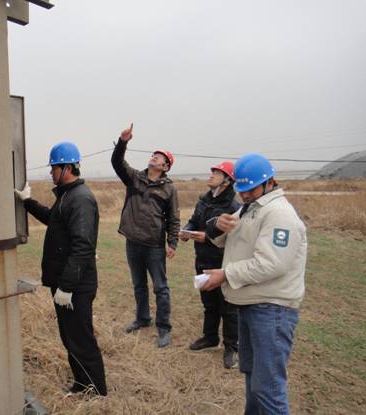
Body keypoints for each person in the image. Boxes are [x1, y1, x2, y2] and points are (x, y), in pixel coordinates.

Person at [202, 153, 307, 414]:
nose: (245, 194)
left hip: (272, 309)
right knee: (253, 377)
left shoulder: (279, 214)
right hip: (251, 304)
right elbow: (227, 240)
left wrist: (226, 275)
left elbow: (272, 263)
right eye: (242, 189)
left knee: (268, 388)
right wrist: (218, 225)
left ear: (270, 182)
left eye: (251, 189)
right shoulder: (250, 208)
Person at [14, 141, 107, 396]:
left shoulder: (81, 199)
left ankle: (96, 391)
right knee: (70, 338)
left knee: (81, 339)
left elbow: (83, 246)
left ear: (67, 168)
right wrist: (27, 202)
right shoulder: (67, 196)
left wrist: (66, 286)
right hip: (66, 282)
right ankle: (81, 384)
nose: (51, 173)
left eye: (54, 168)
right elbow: (52, 219)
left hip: (75, 285)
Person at [111, 123, 180, 348]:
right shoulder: (134, 178)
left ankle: (164, 327)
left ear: (165, 166)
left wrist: (172, 243)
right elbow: (117, 162)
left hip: (154, 246)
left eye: (159, 157)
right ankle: (142, 319)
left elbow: (174, 218)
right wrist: (123, 142)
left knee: (160, 287)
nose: (154, 156)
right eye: (153, 154)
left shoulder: (169, 189)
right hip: (133, 242)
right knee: (138, 285)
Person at [180, 161, 240, 368]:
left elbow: (233, 236)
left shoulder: (234, 206)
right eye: (212, 171)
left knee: (228, 307)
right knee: (209, 303)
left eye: (217, 173)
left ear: (227, 181)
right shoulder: (204, 200)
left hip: (222, 262)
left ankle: (232, 347)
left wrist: (206, 236)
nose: (211, 175)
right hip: (202, 258)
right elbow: (194, 220)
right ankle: (210, 337)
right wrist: (187, 231)